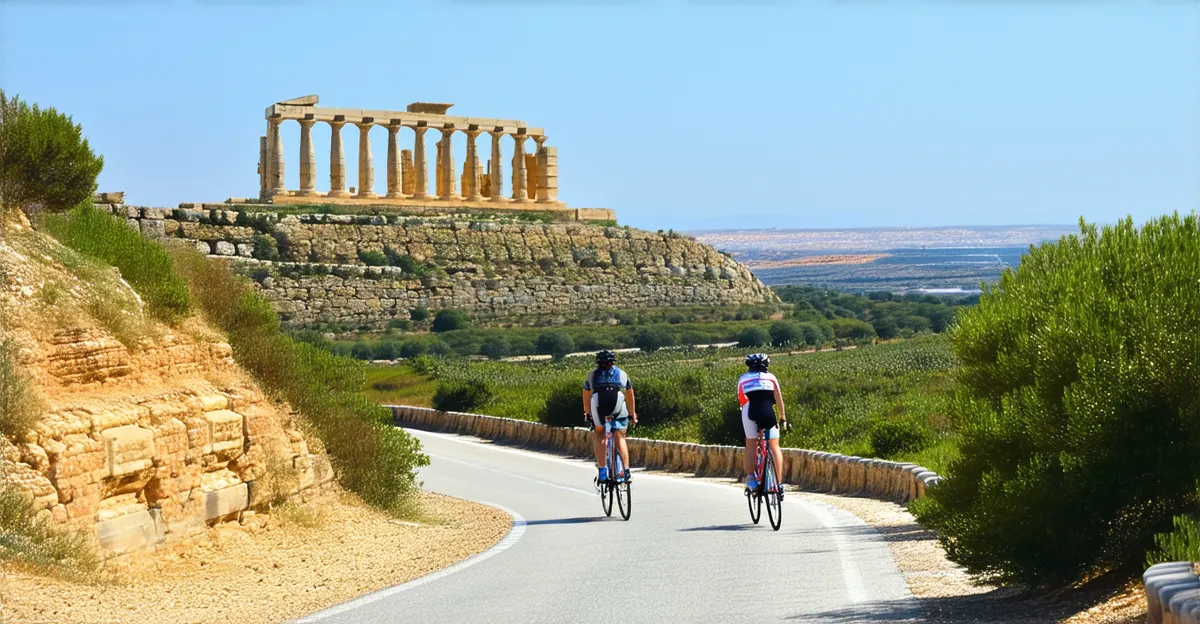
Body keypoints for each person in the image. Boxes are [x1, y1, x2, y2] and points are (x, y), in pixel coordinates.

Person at [583, 350, 638, 483]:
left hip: (598, 402)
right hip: (617, 401)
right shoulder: (622, 373)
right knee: (620, 436)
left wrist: (587, 413)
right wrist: (632, 413)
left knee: (600, 433)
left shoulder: (592, 375)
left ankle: (603, 471)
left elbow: (586, 395)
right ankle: (625, 471)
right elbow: (629, 393)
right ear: (613, 362)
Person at [737, 353, 787, 493]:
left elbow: (741, 400)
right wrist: (783, 418)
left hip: (749, 411)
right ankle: (778, 483)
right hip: (768, 413)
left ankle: (751, 479)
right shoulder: (771, 378)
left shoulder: (742, 379)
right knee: (774, 445)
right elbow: (779, 400)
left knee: (751, 443)